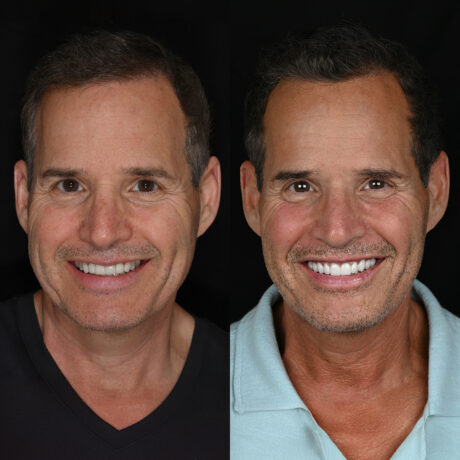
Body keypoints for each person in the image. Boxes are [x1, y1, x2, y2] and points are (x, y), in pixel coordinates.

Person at [231, 24, 457, 459]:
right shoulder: (186, 398)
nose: (337, 230)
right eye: (300, 186)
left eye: (375, 183)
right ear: (252, 200)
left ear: (437, 191)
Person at [1, 30, 227, 458]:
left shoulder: (254, 397)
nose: (102, 231)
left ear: (208, 198)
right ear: (24, 199)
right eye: (69, 185)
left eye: (144, 185)